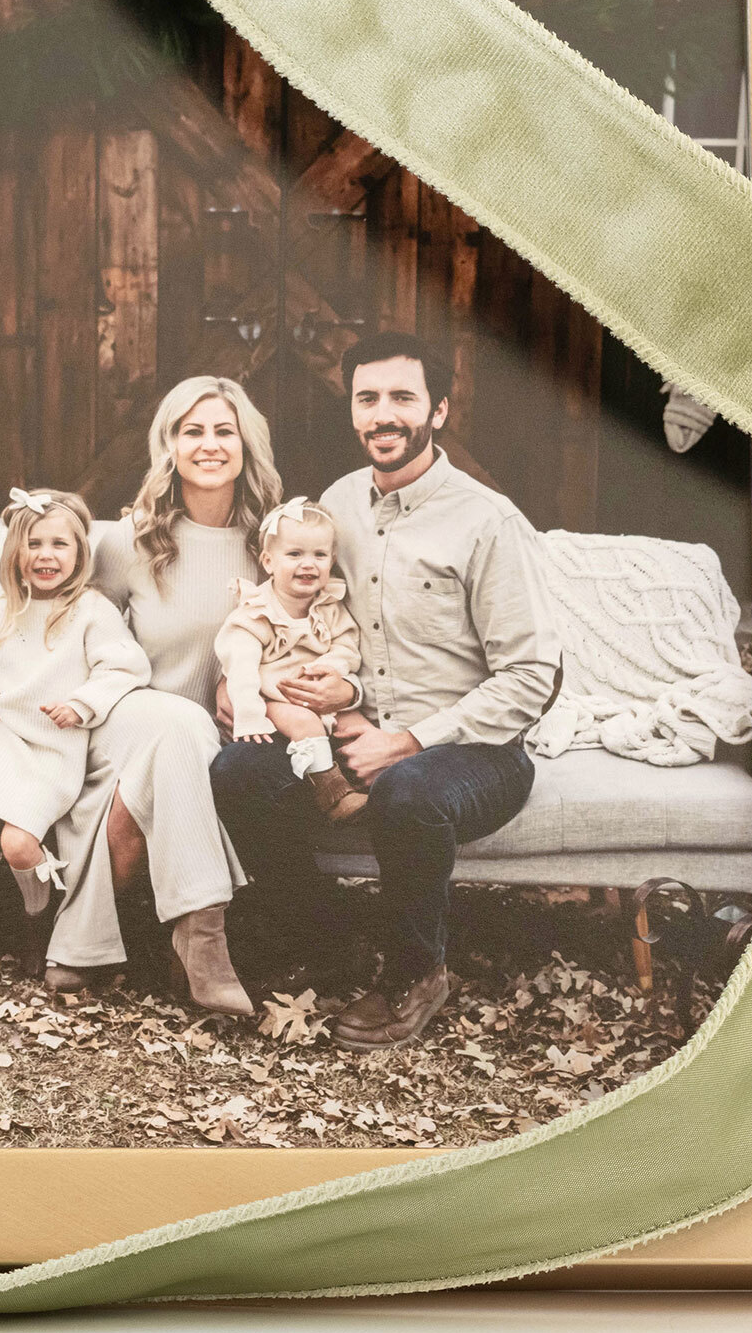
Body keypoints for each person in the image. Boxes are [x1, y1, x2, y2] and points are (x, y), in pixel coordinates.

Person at [210, 332, 560, 1048]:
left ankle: (415, 971)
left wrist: (406, 741)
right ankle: (321, 934)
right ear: (353, 410)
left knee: (409, 790)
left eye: (403, 397)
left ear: (438, 408)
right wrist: (259, 682)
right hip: (349, 727)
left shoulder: (487, 520)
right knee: (239, 770)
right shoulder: (338, 505)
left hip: (474, 750)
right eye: (368, 398)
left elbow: (534, 678)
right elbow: (304, 616)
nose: (383, 414)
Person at [0, 376, 281, 1015]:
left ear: (246, 444)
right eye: (191, 431)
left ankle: (86, 945)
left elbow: (302, 637)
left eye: (223, 430)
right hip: (124, 716)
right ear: (168, 445)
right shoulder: (124, 543)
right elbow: (51, 619)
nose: (208, 444)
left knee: (162, 762)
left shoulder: (273, 546)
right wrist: (4, 693)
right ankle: (203, 941)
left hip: (219, 733)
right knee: (170, 723)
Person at [0, 490, 149, 927]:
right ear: (16, 553)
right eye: (33, 544)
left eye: (59, 544)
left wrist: (81, 705)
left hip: (55, 750)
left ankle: (37, 920)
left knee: (18, 843)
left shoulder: (91, 611)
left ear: (79, 552)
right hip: (3, 740)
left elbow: (127, 667)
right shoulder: (4, 612)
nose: (45, 555)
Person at [213, 496, 368, 823]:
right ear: (268, 561)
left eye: (320, 555)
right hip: (269, 697)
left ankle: (373, 786)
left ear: (332, 560)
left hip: (315, 695)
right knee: (303, 723)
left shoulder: (329, 607)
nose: (308, 564)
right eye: (295, 554)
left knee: (358, 726)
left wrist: (334, 667)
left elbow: (347, 644)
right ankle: (333, 795)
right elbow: (240, 672)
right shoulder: (257, 613)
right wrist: (250, 716)